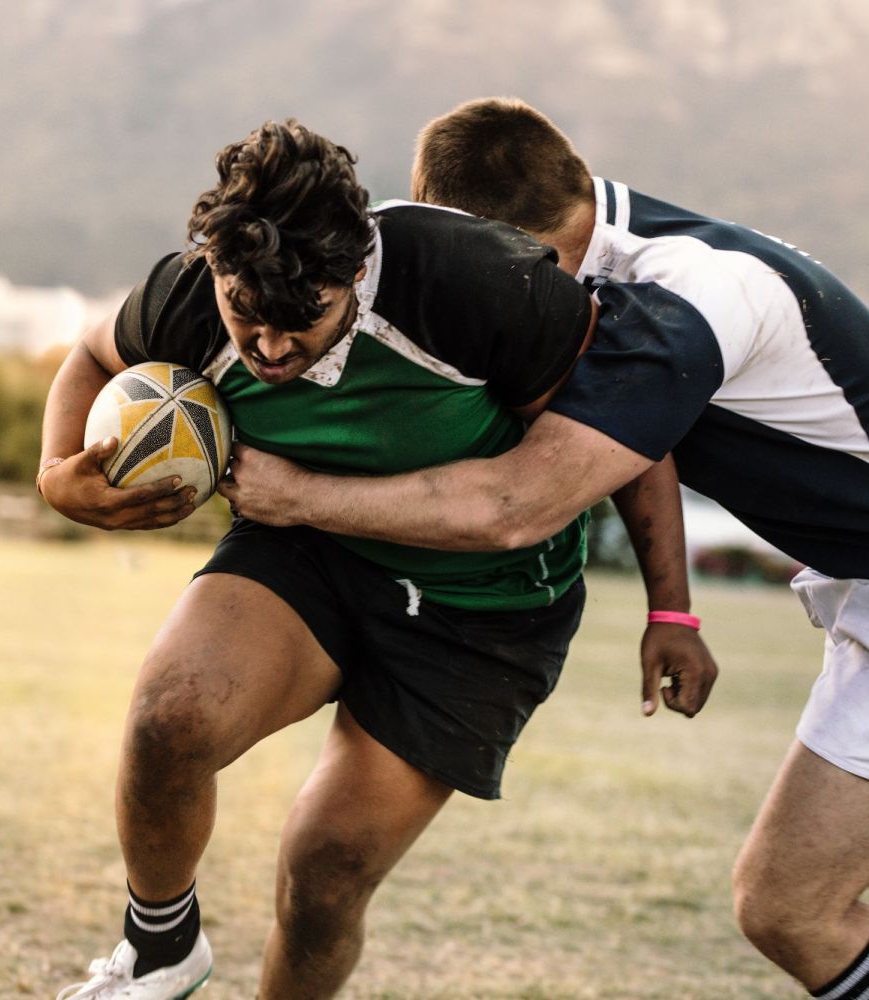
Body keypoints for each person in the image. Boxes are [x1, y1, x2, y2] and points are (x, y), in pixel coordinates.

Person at [39, 118, 717, 1000]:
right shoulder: (192, 295)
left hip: (484, 606)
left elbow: (632, 429)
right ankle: (161, 949)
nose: (271, 350)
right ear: (215, 269)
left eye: (301, 322)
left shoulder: (477, 281)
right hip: (309, 553)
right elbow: (93, 355)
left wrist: (672, 610)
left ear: (357, 268)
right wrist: (59, 479)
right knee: (169, 720)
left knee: (323, 872)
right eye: (249, 318)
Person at [224, 98, 869, 999]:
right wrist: (673, 608)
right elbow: (653, 435)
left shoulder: (690, 294)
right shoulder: (620, 270)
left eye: (462, 265)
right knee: (791, 905)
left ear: (490, 240)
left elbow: (516, 507)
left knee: (794, 905)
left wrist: (295, 497)